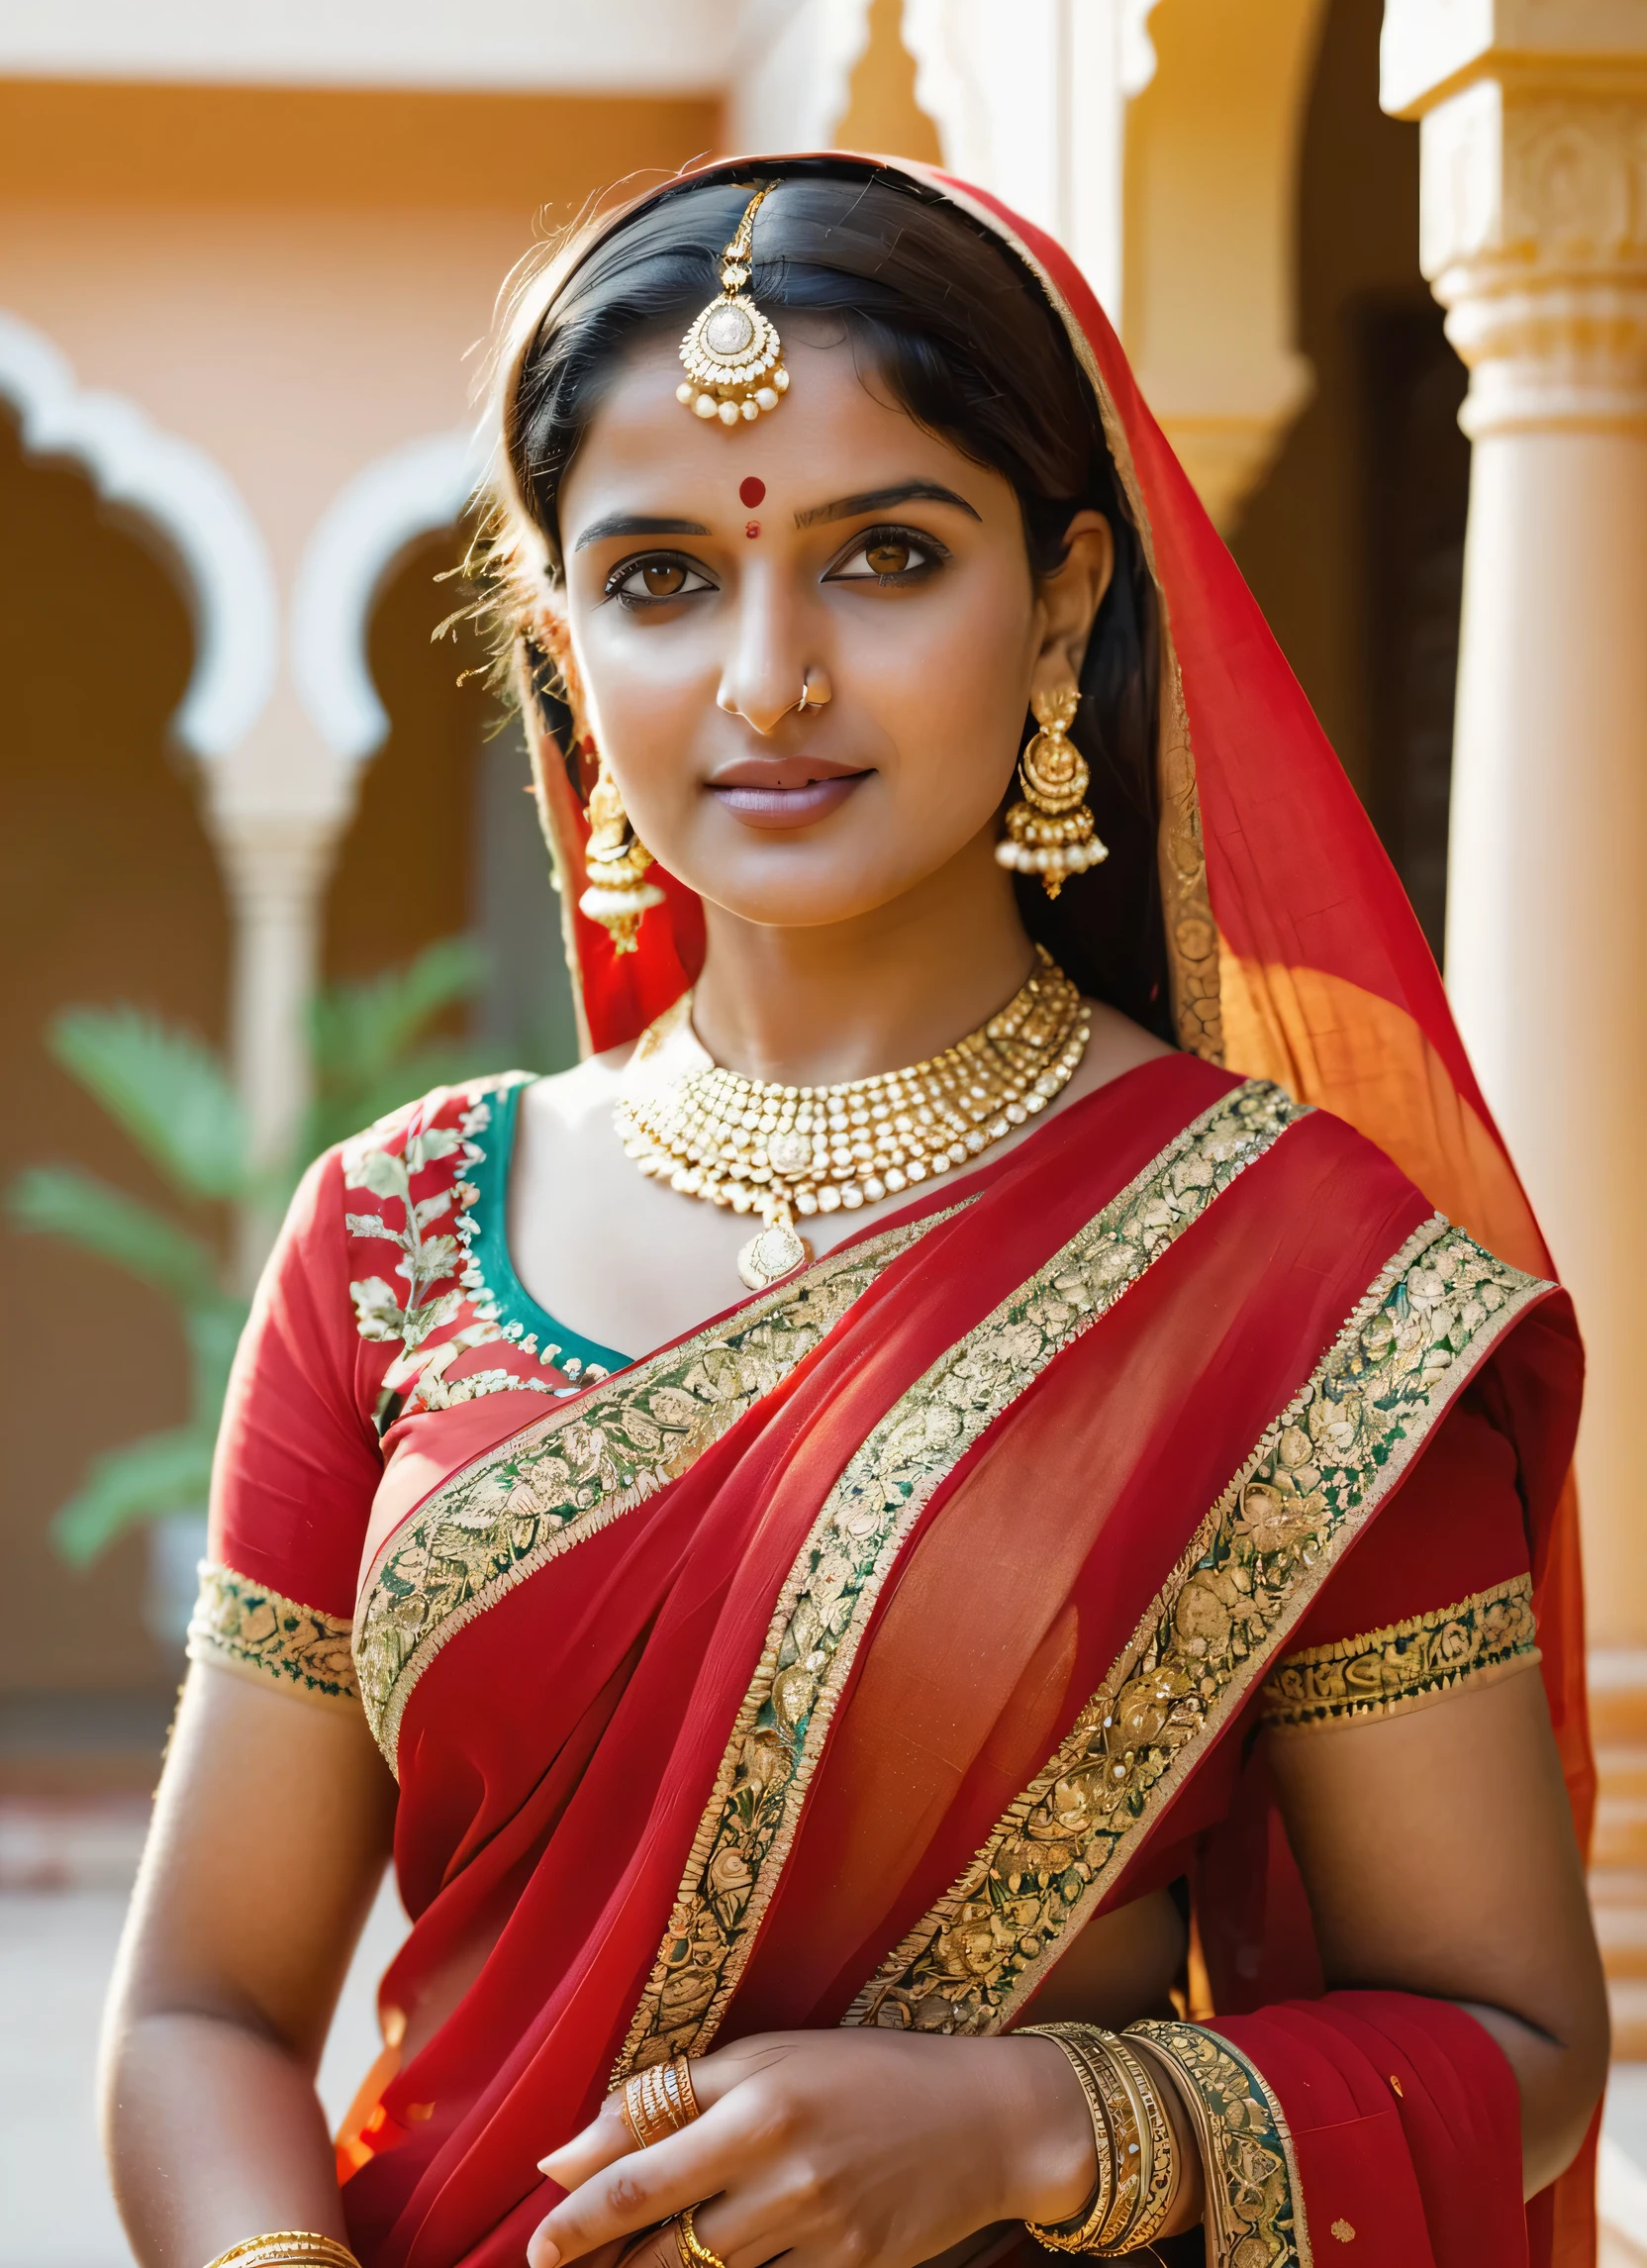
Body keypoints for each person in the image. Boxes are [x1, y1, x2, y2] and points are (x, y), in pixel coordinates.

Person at [102, 157, 1606, 2268]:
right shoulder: (395, 1228)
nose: (767, 678)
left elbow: (1511, 2030)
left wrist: (1025, 2120)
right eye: (655, 581)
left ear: (1065, 600)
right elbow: (201, 2011)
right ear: (558, 633)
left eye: (884, 555)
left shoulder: (1290, 1275)